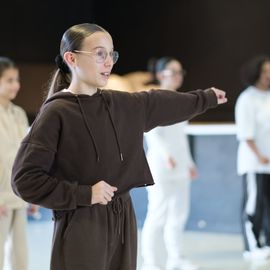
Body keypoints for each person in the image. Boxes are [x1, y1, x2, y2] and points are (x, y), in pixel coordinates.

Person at [11, 23, 227, 270]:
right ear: (72, 58)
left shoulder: (121, 104)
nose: (108, 62)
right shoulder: (57, 112)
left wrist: (206, 98)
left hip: (122, 219)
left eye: (111, 54)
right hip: (83, 223)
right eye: (99, 54)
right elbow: (24, 180)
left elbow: (159, 102)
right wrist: (84, 193)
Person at [141, 57, 199, 270]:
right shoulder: (154, 99)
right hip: (160, 166)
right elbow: (151, 132)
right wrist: (166, 155)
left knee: (178, 214)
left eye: (179, 71)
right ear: (159, 74)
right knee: (157, 214)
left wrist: (190, 163)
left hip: (181, 167)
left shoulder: (182, 99)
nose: (176, 76)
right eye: (171, 71)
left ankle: (175, 258)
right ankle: (151, 263)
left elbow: (180, 137)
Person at [235, 55, 270, 260]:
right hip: (254, 163)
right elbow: (246, 134)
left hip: (269, 164)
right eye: (265, 71)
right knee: (254, 205)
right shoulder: (247, 98)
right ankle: (252, 247)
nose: (268, 75)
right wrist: (260, 156)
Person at [0, 57, 29, 270]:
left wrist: (31, 192)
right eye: (10, 80)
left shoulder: (19, 114)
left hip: (18, 196)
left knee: (20, 258)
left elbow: (26, 157)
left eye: (17, 79)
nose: (16, 85)